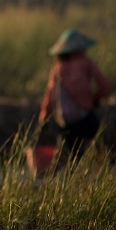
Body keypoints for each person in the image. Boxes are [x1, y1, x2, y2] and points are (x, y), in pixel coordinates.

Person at [38, 29, 110, 158]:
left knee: (73, 156)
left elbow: (49, 97)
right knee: (100, 147)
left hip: (65, 122)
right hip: (85, 117)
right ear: (78, 50)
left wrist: (43, 118)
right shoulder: (86, 63)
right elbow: (104, 85)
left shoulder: (57, 68)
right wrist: (95, 100)